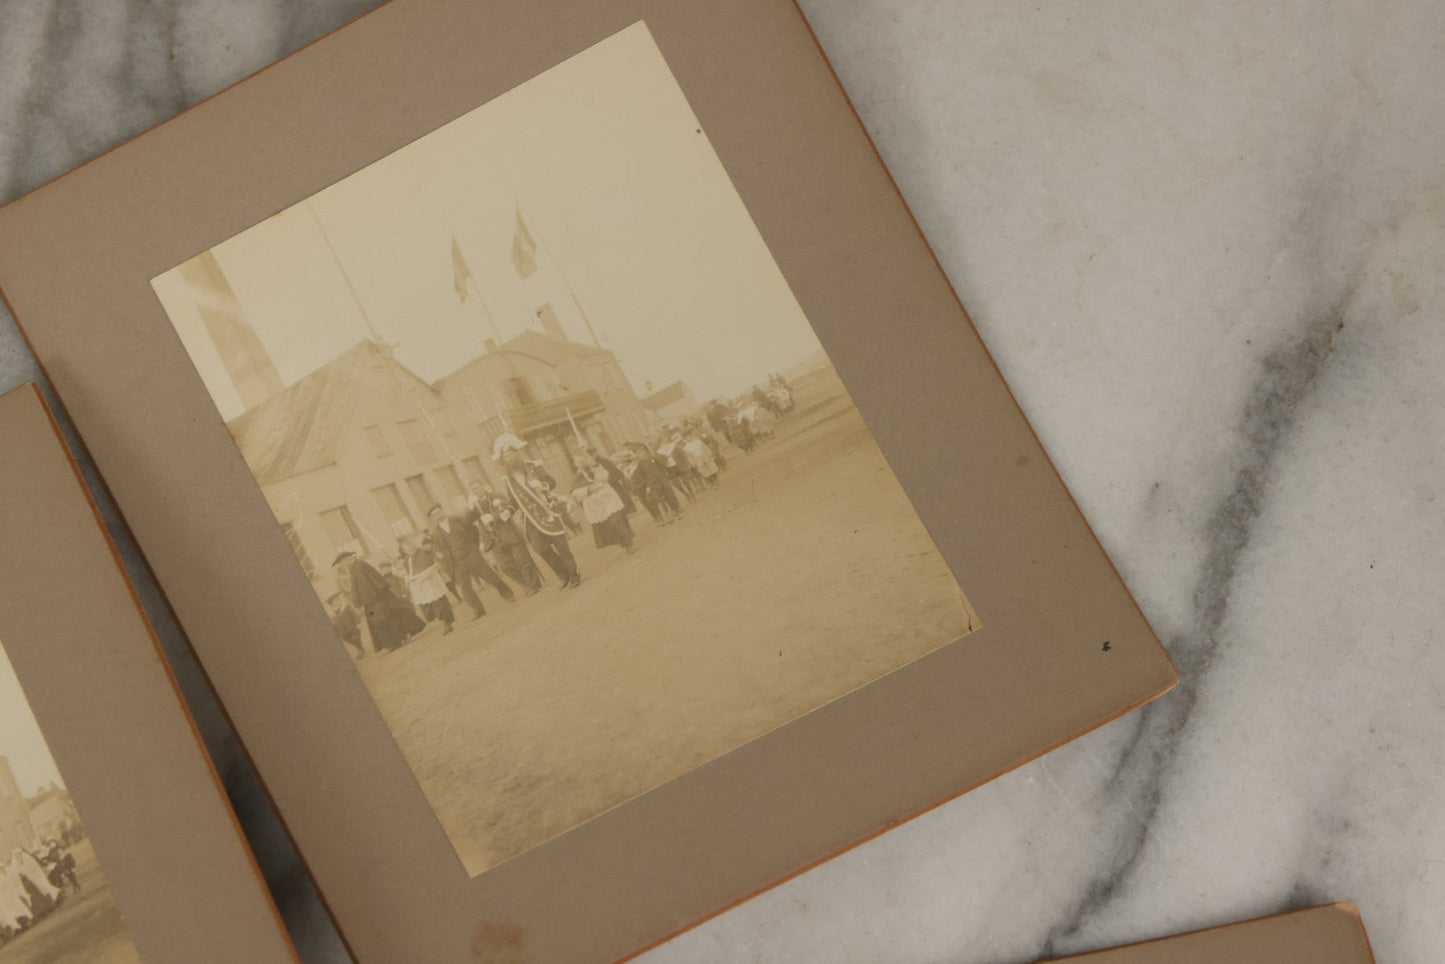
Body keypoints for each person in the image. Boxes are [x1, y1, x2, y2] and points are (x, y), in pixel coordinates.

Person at [494, 434, 581, 588]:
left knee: (562, 546)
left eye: (511, 454)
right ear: (503, 461)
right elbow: (514, 500)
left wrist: (542, 484)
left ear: (517, 453)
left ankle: (574, 574)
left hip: (549, 511)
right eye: (506, 457)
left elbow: (551, 482)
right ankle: (563, 574)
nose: (510, 459)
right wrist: (508, 510)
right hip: (531, 518)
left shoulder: (533, 467)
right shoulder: (509, 479)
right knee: (540, 548)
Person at [428, 505, 515, 618]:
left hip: (471, 555)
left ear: (443, 511)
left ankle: (507, 594)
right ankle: (478, 610)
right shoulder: (436, 534)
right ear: (432, 518)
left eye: (439, 512)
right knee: (465, 589)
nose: (438, 515)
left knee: (490, 576)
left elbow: (473, 530)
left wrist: (474, 547)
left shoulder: (457, 519)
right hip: (457, 563)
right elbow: (441, 551)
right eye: (435, 514)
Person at [333, 551, 423, 653]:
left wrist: (369, 599)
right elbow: (358, 587)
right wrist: (360, 602)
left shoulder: (360, 565)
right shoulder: (354, 569)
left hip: (376, 600)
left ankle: (400, 639)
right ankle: (393, 642)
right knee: (379, 622)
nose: (342, 566)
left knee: (385, 619)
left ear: (347, 560)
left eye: (342, 563)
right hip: (370, 603)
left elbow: (370, 583)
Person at [472, 485, 545, 595]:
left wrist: (492, 517)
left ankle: (533, 585)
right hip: (493, 540)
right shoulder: (475, 506)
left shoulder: (496, 496)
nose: (475, 491)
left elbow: (505, 508)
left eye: (476, 488)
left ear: (482, 487)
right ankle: (526, 584)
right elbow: (467, 519)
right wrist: (470, 507)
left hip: (509, 533)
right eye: (473, 490)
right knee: (505, 567)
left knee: (522, 560)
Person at [570, 454, 635, 554]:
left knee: (616, 521)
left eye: (582, 461)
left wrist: (597, 478)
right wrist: (588, 490)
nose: (581, 463)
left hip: (608, 499)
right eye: (578, 462)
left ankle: (628, 543)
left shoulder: (596, 468)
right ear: (575, 464)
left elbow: (606, 476)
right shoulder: (577, 477)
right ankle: (622, 541)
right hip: (596, 505)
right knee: (609, 526)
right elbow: (574, 493)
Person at [404, 534, 454, 634]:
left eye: (411, 548)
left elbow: (432, 562)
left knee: (439, 603)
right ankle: (444, 622)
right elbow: (407, 572)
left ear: (414, 546)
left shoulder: (423, 552)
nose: (410, 551)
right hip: (420, 586)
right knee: (430, 606)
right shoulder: (407, 560)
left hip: (431, 582)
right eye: (407, 549)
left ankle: (447, 624)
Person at [325, 591, 365, 659]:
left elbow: (353, 614)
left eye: (338, 599)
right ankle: (359, 648)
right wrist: (337, 632)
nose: (337, 601)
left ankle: (360, 649)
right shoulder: (332, 613)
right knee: (348, 640)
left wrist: (357, 622)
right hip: (343, 631)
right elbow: (334, 624)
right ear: (332, 604)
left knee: (355, 638)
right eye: (335, 601)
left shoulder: (346, 606)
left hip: (352, 627)